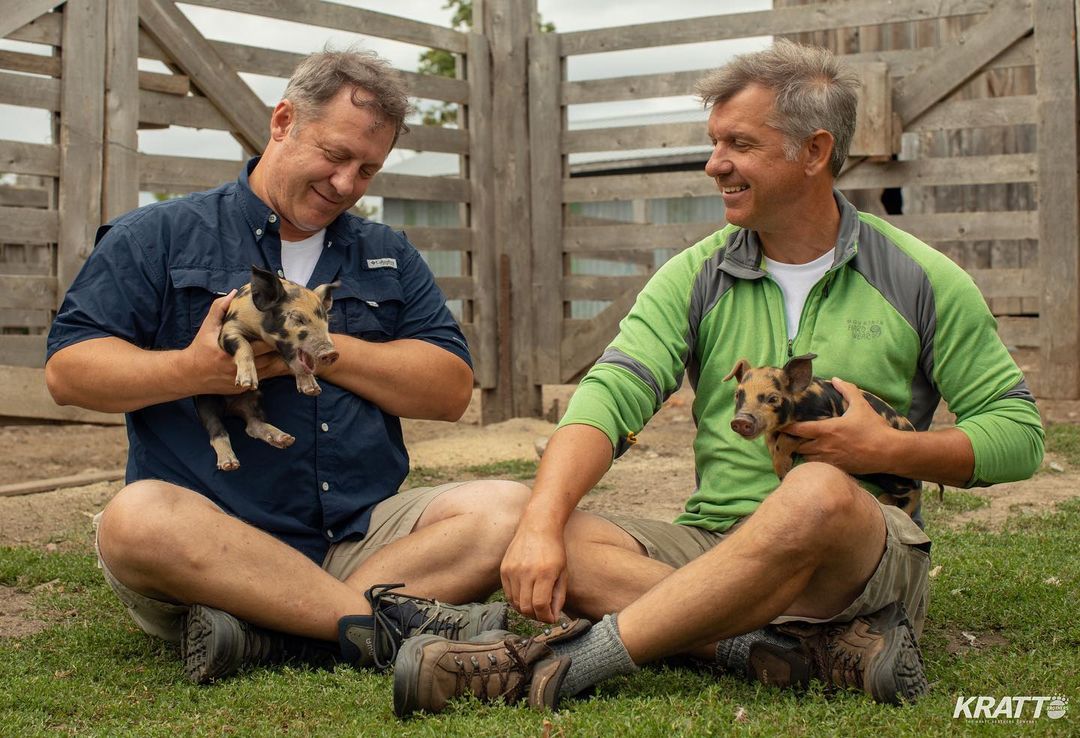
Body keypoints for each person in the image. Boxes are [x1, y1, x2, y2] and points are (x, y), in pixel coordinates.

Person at [390, 39, 1045, 715]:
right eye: (713, 142)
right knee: (549, 528)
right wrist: (540, 523)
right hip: (712, 542)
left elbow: (1019, 433)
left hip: (856, 553)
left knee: (816, 491)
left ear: (814, 152)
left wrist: (888, 449)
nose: (714, 165)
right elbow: (610, 395)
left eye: (739, 143)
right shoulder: (695, 275)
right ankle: (788, 651)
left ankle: (583, 659)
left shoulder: (923, 278)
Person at [45, 48, 528, 683]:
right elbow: (69, 370)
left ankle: (279, 633)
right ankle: (378, 625)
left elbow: (449, 391)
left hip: (366, 539)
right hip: (217, 545)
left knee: (513, 506)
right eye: (335, 155)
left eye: (368, 169)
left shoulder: (388, 254)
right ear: (282, 122)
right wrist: (196, 372)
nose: (348, 184)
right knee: (135, 520)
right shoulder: (156, 235)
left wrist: (322, 350)